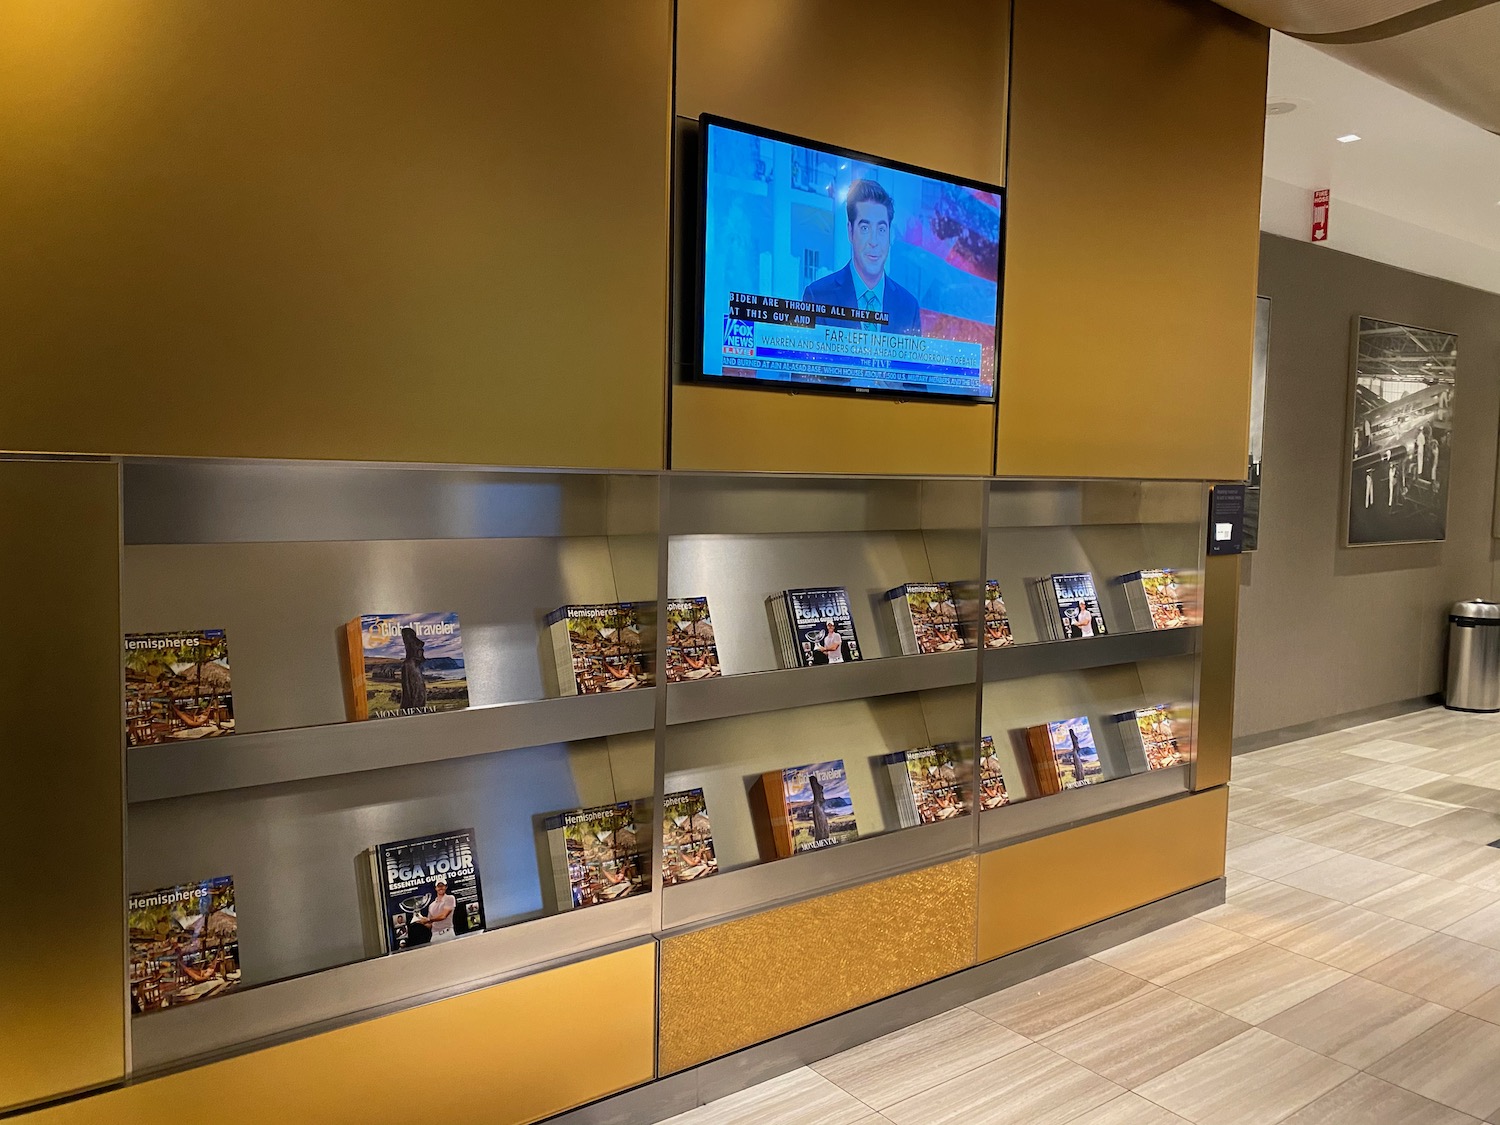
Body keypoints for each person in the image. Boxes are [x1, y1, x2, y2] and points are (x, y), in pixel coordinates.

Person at [802, 180, 921, 334]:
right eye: (865, 228)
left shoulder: (909, 307)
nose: (874, 241)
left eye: (882, 229)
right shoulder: (818, 296)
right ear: (850, 232)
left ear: (890, 234)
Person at [414, 875, 457, 943]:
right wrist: (421, 921)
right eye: (438, 886)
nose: (440, 888)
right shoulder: (431, 905)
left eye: (442, 886)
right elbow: (430, 925)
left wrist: (428, 919)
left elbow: (443, 916)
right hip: (434, 936)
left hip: (447, 933)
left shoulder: (450, 898)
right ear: (436, 888)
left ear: (446, 887)